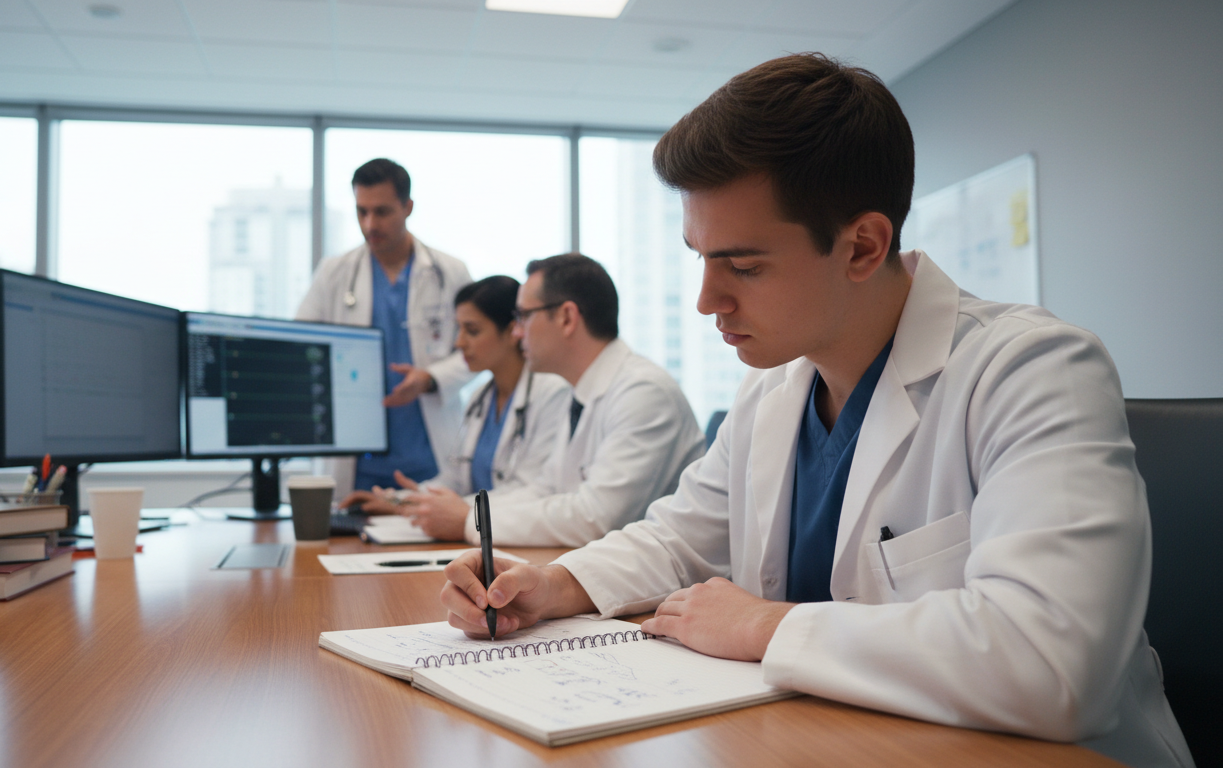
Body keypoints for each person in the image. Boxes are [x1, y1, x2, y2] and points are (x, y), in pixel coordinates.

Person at [438, 54, 1191, 768]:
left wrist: (765, 625)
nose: (707, 301)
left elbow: (1053, 658)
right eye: (700, 258)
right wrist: (553, 587)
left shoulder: (1034, 370)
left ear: (863, 246)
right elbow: (679, 540)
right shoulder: (773, 388)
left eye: (744, 265)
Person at [417, 253, 704, 548]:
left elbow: (596, 518)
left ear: (567, 318)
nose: (517, 331)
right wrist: (471, 513)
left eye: (524, 317)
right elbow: (546, 490)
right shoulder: (583, 393)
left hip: (672, 587)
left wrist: (472, 521)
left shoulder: (643, 393)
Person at [338, 275, 573, 541]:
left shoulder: (552, 394)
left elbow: (533, 491)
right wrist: (399, 501)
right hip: (473, 537)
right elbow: (454, 481)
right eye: (458, 330)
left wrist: (458, 512)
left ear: (511, 332)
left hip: (516, 540)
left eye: (471, 331)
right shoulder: (478, 399)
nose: (459, 342)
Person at [296, 158, 473, 491]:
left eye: (382, 211)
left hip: (429, 454)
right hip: (355, 459)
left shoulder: (450, 273)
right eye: (361, 211)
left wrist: (431, 378)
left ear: (407, 207)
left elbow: (479, 352)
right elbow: (301, 349)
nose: (369, 224)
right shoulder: (334, 273)